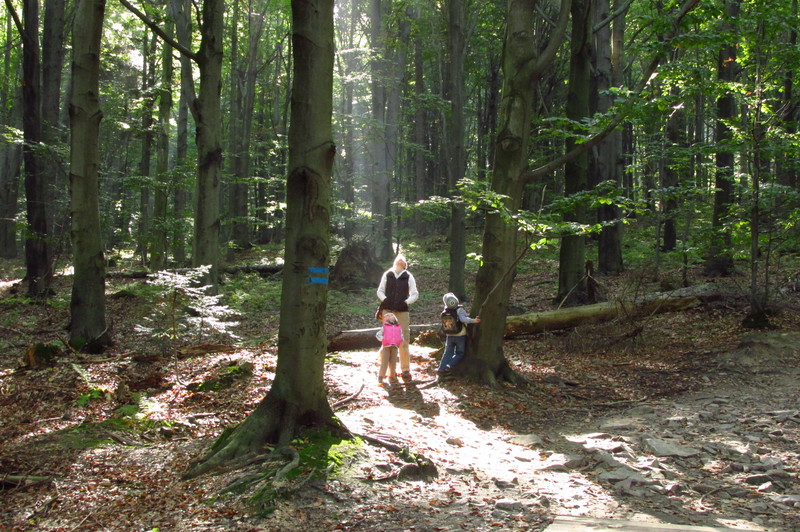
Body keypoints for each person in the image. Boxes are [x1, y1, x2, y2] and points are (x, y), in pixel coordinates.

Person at [376, 254, 418, 382]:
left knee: (403, 339)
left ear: (405, 264)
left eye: (402, 260)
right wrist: (385, 300)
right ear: (394, 262)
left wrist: (406, 302)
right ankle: (389, 371)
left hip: (402, 312)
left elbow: (415, 294)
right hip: (388, 311)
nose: (400, 260)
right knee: (387, 340)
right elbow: (380, 291)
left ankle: (405, 370)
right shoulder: (388, 274)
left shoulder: (408, 276)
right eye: (398, 259)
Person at [438, 292, 480, 376]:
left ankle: (441, 369)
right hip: (460, 335)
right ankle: (449, 365)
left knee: (447, 353)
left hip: (449, 335)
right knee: (460, 353)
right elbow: (463, 319)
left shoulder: (445, 311)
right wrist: (474, 320)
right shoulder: (460, 310)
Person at [375, 311, 402, 386]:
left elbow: (401, 335)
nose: (389, 316)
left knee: (393, 362)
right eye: (388, 315)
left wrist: (400, 340)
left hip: (395, 346)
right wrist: (382, 338)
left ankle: (392, 376)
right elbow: (378, 334)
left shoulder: (398, 327)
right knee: (385, 361)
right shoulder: (385, 326)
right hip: (386, 346)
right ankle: (381, 376)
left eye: (391, 315)